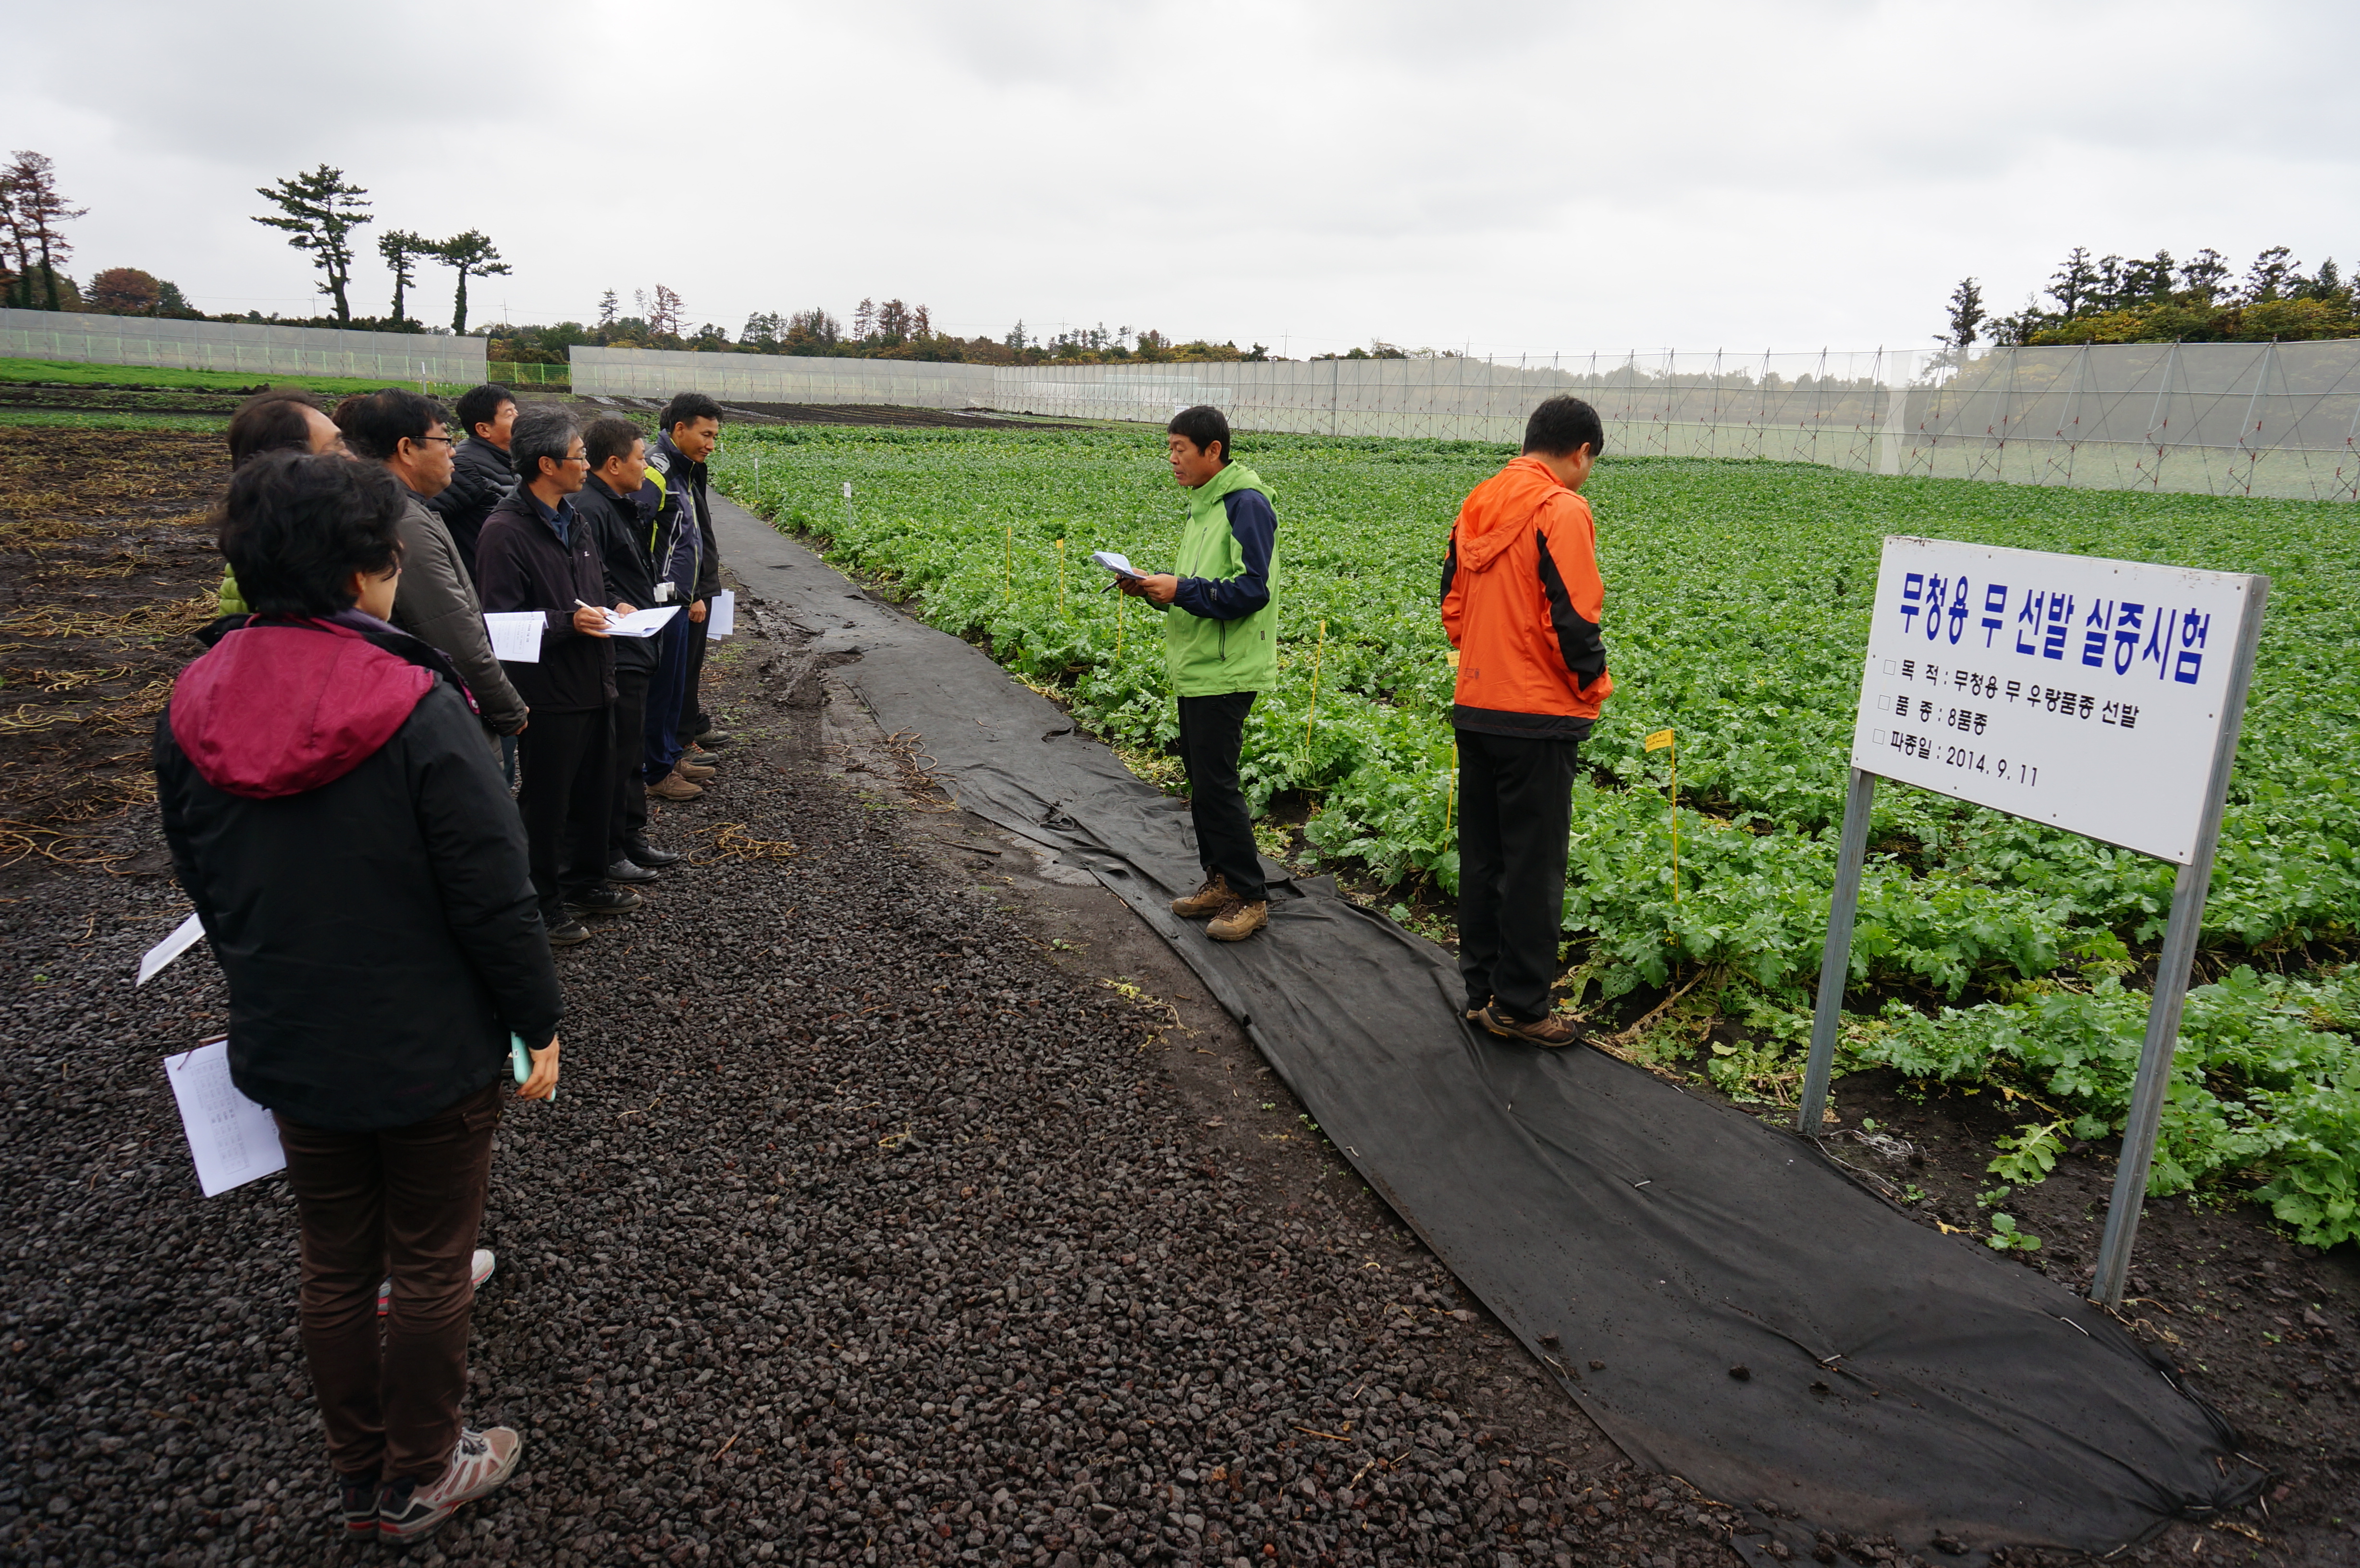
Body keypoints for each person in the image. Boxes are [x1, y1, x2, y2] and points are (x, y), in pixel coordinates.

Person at [154, 449, 561, 1543]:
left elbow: (204, 877)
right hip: (428, 1042)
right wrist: (536, 1023)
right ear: (368, 571)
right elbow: (494, 896)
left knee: (334, 1260)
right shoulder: (419, 702)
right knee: (431, 1260)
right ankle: (423, 1470)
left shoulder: (193, 697)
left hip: (289, 1033)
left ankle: (357, 1469)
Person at [1439, 394, 1613, 1047]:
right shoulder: (1562, 510)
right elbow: (1575, 616)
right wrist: (1592, 686)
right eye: (1590, 463)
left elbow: (1452, 605)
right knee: (1534, 868)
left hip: (1477, 703)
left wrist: (1486, 649)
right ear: (1581, 452)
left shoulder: (1479, 500)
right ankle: (1521, 1007)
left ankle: (1481, 990)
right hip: (1537, 713)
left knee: (1483, 857)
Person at [476, 408, 637, 945]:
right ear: (546, 464)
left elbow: (596, 581)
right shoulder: (505, 532)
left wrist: (615, 604)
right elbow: (498, 624)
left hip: (595, 679)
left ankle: (585, 882)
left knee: (595, 789)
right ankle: (542, 905)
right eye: (579, 456)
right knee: (546, 802)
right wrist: (569, 624)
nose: (586, 465)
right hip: (548, 693)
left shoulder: (576, 518)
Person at [1119, 404, 1279, 943]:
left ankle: (1250, 896)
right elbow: (1200, 587)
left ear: (1214, 451)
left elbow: (1253, 590)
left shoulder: (1246, 505)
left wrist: (1182, 589)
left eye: (1180, 449)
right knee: (1203, 781)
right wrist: (1155, 590)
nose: (1172, 460)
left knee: (1217, 782)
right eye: (1169, 449)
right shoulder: (1203, 507)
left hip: (1228, 668)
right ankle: (1220, 881)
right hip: (1198, 663)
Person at [334, 390, 531, 758]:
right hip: (442, 712)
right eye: (444, 440)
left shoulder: (397, 509)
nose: (452, 452)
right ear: (407, 449)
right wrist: (508, 708)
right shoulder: (403, 522)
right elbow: (452, 630)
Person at [574, 414, 683, 879]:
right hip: (620, 645)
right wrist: (619, 605)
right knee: (617, 753)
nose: (646, 467)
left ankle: (630, 835)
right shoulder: (592, 509)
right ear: (614, 464)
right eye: (640, 459)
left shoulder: (614, 503)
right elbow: (594, 579)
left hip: (636, 640)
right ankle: (611, 847)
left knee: (630, 745)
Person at [640, 394, 724, 801]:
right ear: (680, 429)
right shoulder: (658, 470)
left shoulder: (688, 470)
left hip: (685, 594)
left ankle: (672, 754)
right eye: (705, 434)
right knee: (664, 685)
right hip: (664, 599)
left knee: (680, 681)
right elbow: (644, 541)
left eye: (714, 436)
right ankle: (659, 766)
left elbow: (692, 536)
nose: (711, 444)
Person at [215, 388, 346, 615]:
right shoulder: (304, 568)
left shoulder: (258, 544)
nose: (352, 457)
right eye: (338, 447)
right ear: (293, 466)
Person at [427, 382, 518, 581]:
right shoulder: (466, 466)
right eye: (509, 414)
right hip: (479, 581)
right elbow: (429, 517)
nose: (518, 419)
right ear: (484, 429)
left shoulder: (507, 460)